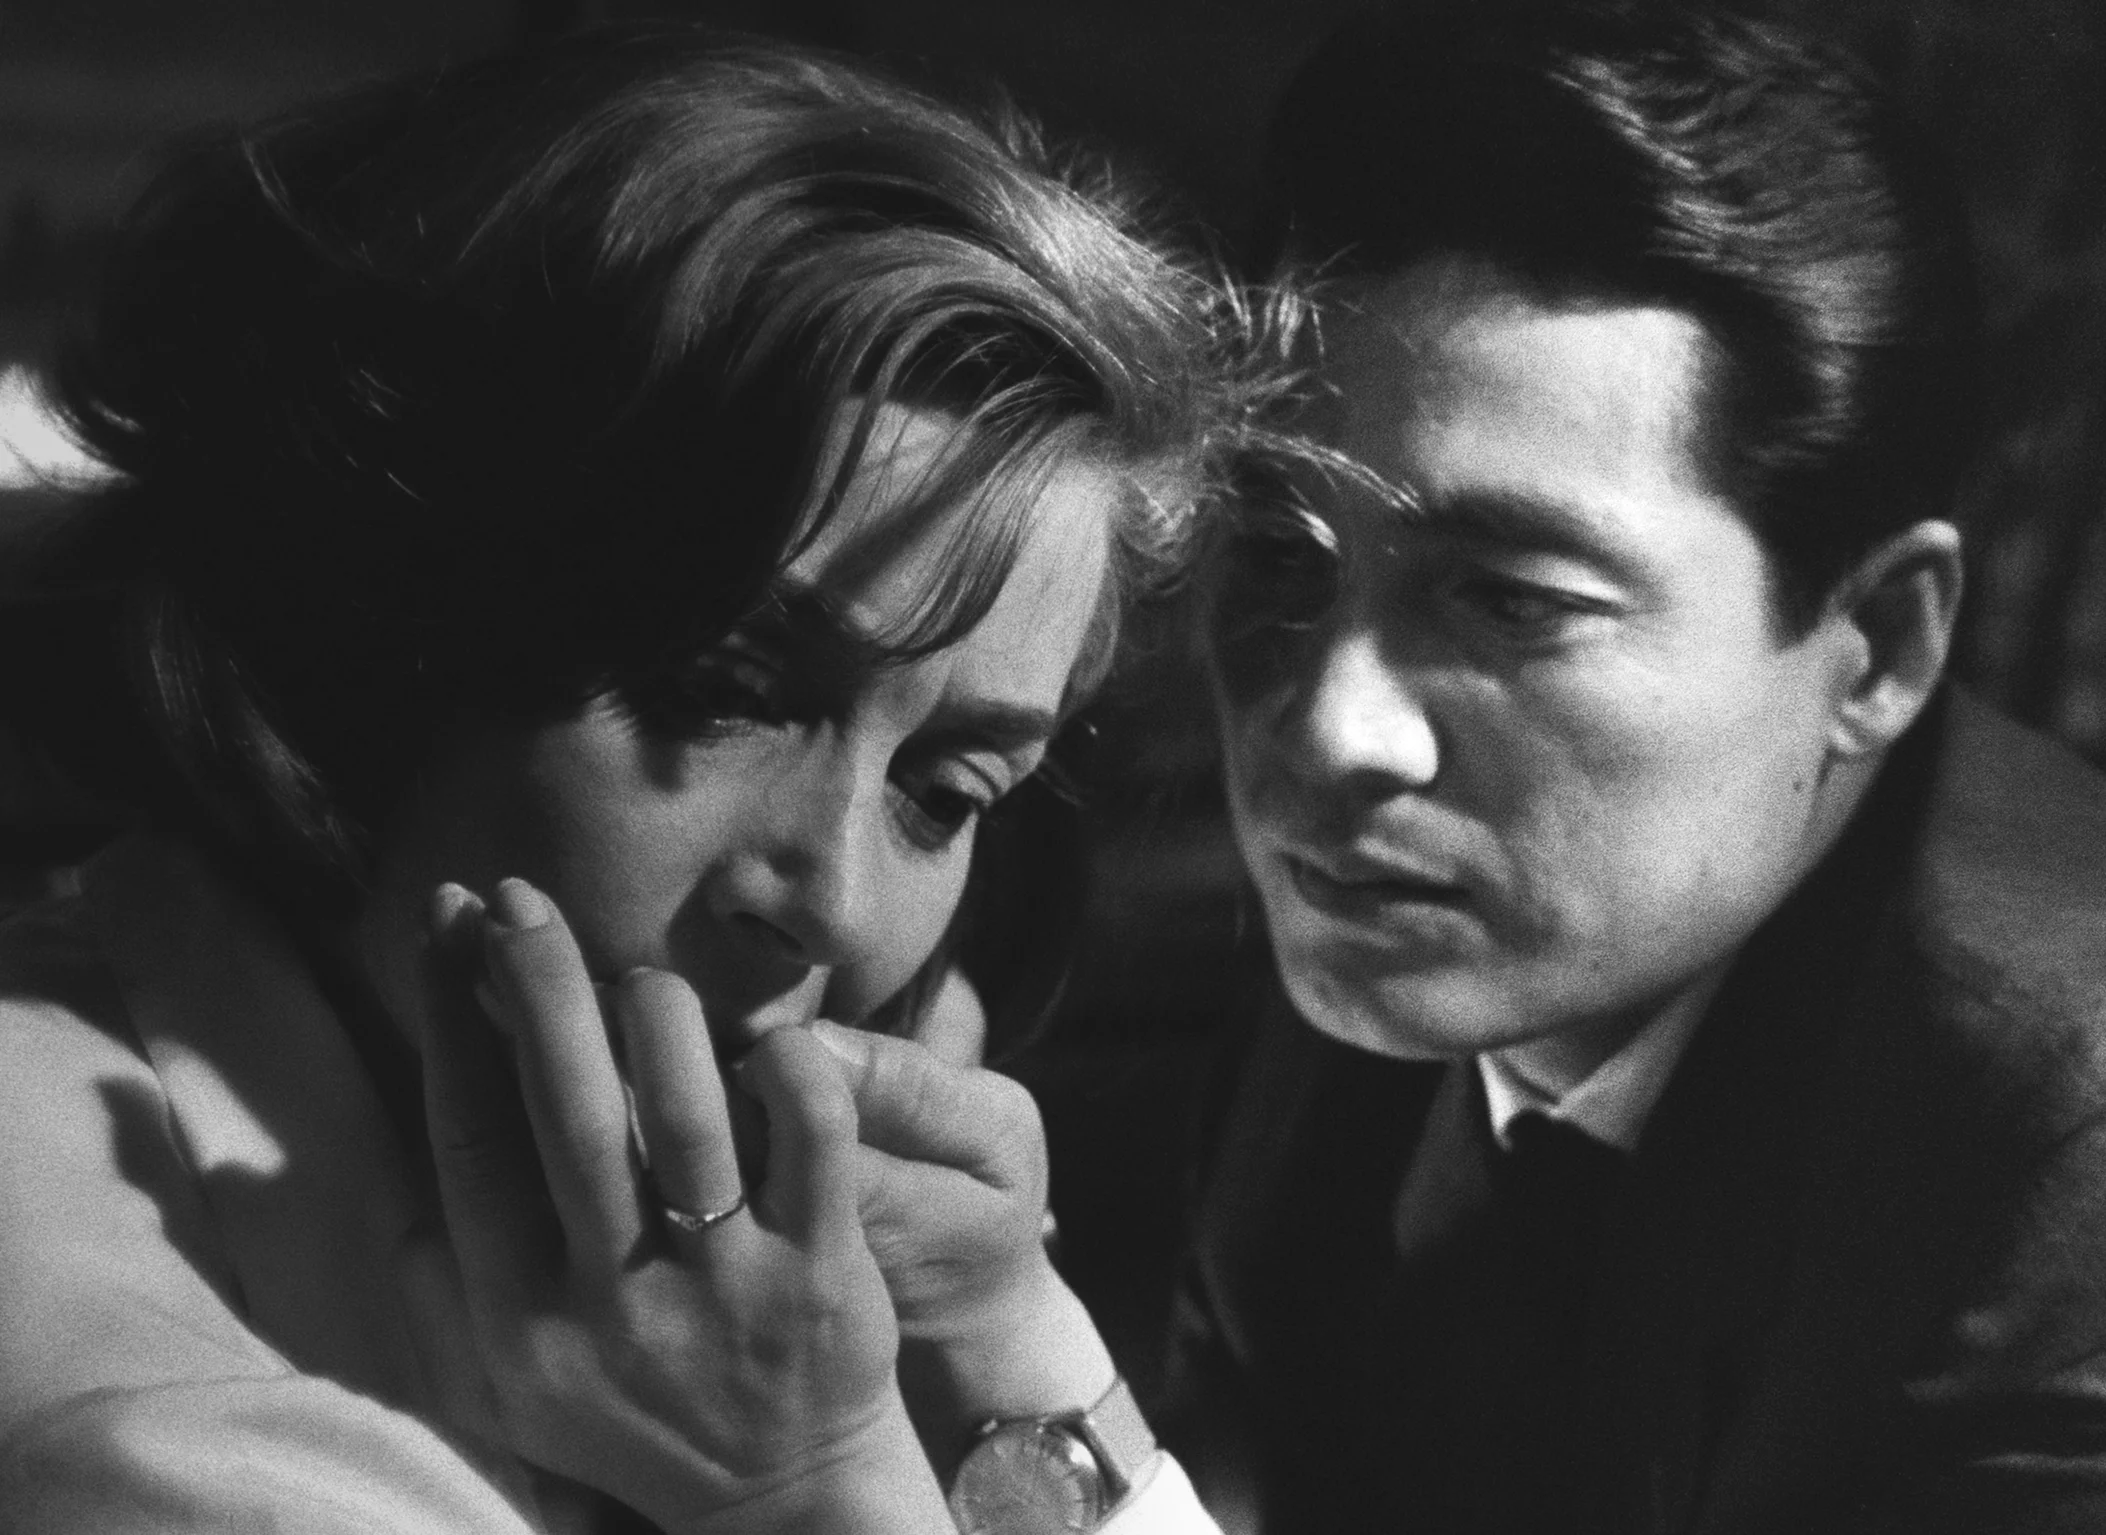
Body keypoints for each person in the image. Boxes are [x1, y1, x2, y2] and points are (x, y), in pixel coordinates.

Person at [0, 29, 1274, 1533]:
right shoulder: (167, 1447)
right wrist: (808, 1484)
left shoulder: (729, 1287)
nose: (831, 902)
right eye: (722, 695)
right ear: (363, 630)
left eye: (946, 790)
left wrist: (1014, 1362)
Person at [1170, 4, 2106, 1532]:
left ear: (1876, 644)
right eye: (1280, 556)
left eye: (1511, 600)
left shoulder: (2065, 1146)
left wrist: (1026, 1417)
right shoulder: (1388, 937)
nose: (1333, 729)